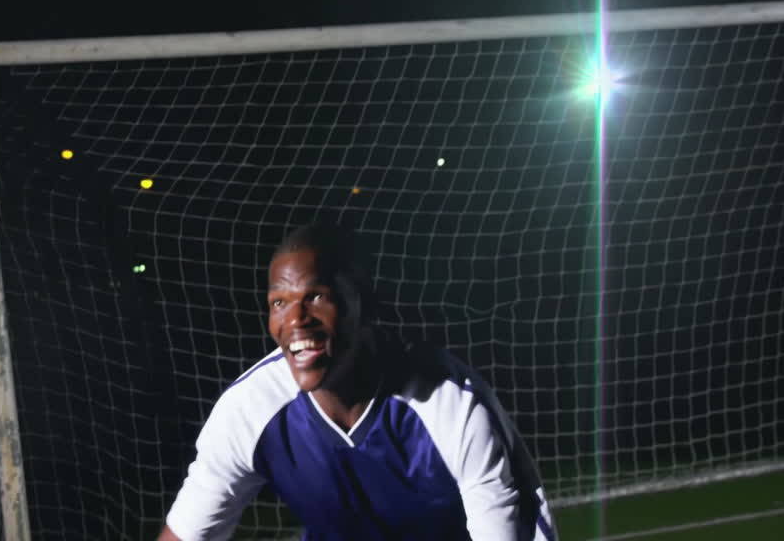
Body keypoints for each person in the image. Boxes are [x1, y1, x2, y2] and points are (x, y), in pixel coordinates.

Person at [158, 224, 557, 541]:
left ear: (365, 305)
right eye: (279, 302)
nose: (295, 319)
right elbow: (190, 532)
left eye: (316, 297)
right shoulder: (248, 411)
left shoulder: (449, 404)